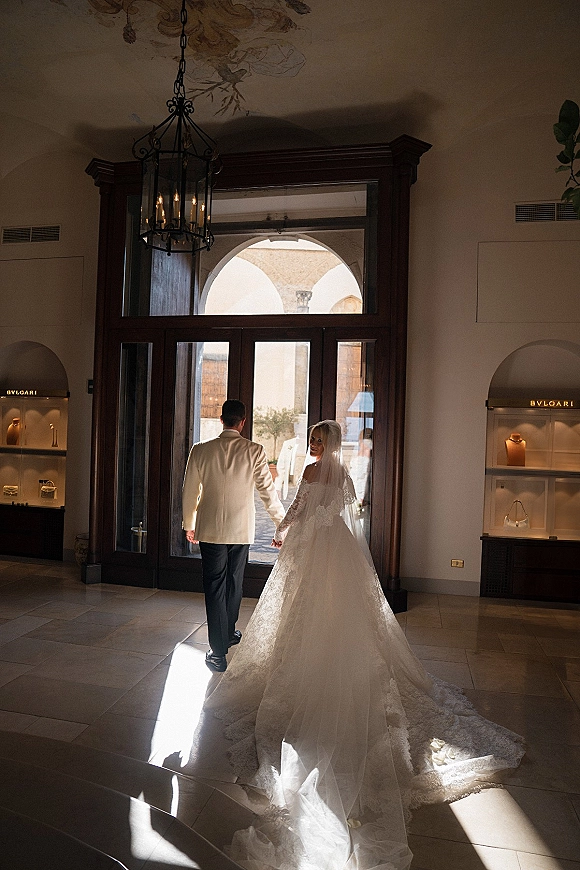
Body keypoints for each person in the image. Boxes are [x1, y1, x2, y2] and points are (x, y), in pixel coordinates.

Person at [204, 419, 525, 870]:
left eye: (318, 441)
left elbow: (297, 507)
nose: (314, 446)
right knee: (338, 607)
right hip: (338, 546)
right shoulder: (345, 473)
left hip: (312, 547)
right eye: (314, 440)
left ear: (326, 443)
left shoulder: (314, 471)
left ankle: (300, 663)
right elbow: (348, 512)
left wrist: (282, 531)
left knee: (302, 607)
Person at [182, 399, 285, 673]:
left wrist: (188, 523)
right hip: (241, 530)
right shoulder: (255, 451)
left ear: (221, 420)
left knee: (215, 585)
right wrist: (281, 523)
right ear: (242, 421)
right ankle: (224, 637)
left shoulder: (201, 450)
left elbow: (190, 489)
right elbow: (267, 491)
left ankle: (219, 649)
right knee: (234, 583)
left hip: (210, 528)